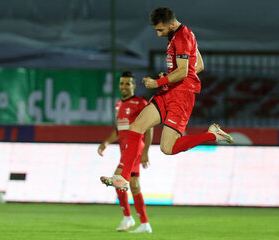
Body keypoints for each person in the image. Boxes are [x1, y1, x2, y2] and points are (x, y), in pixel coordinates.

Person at [100, 7, 233, 192]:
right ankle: (123, 178)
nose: (158, 34)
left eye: (160, 30)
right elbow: (198, 65)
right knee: (136, 127)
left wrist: (159, 82)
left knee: (168, 148)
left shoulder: (183, 37)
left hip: (182, 96)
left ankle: (214, 134)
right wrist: (171, 77)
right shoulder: (178, 36)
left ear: (172, 23)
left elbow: (185, 71)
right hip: (169, 91)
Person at [98, 71, 153, 233]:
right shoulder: (118, 105)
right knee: (134, 186)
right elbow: (118, 129)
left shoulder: (140, 103)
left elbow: (149, 127)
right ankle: (144, 224)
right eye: (122, 83)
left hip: (135, 149)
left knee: (117, 180)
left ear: (134, 86)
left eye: (128, 84)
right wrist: (106, 142)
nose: (124, 86)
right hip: (125, 151)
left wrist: (146, 152)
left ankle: (128, 217)